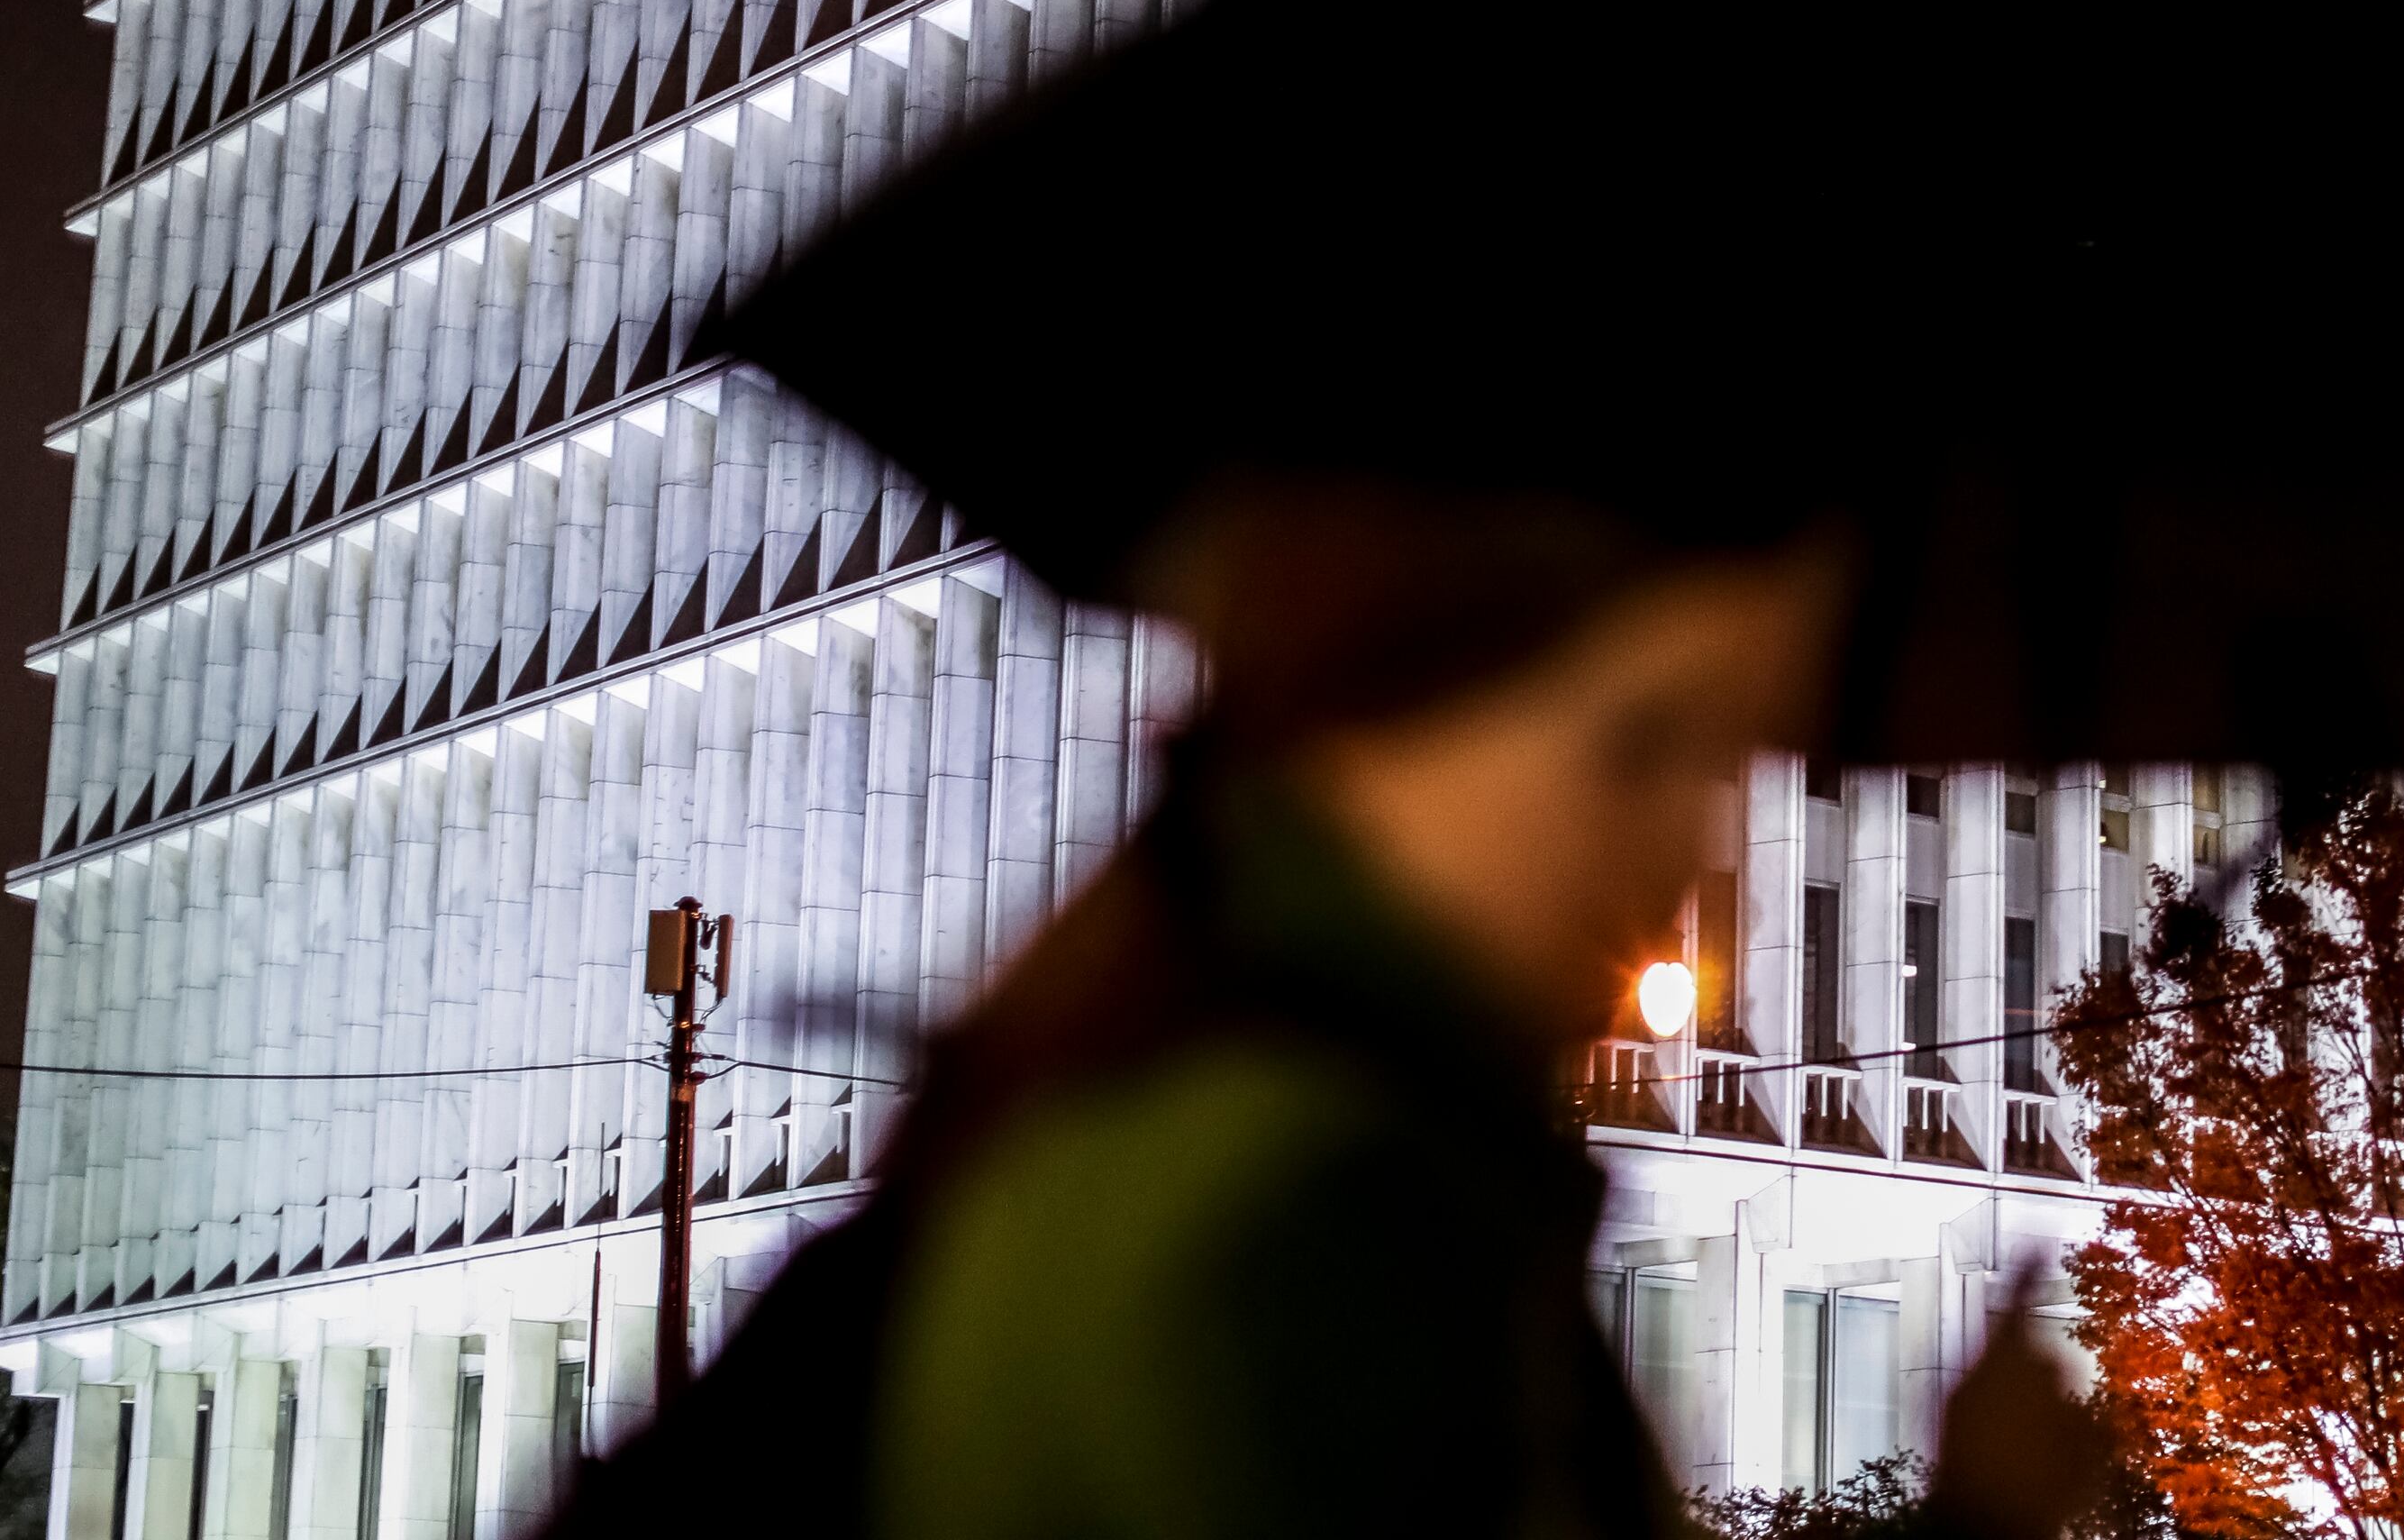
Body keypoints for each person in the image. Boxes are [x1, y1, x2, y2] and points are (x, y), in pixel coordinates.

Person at [547, 480, 2108, 1538]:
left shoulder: (1198, 1120)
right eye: (1670, 751)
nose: (1708, 865)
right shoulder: (1311, 1218)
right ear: (1444, 713)